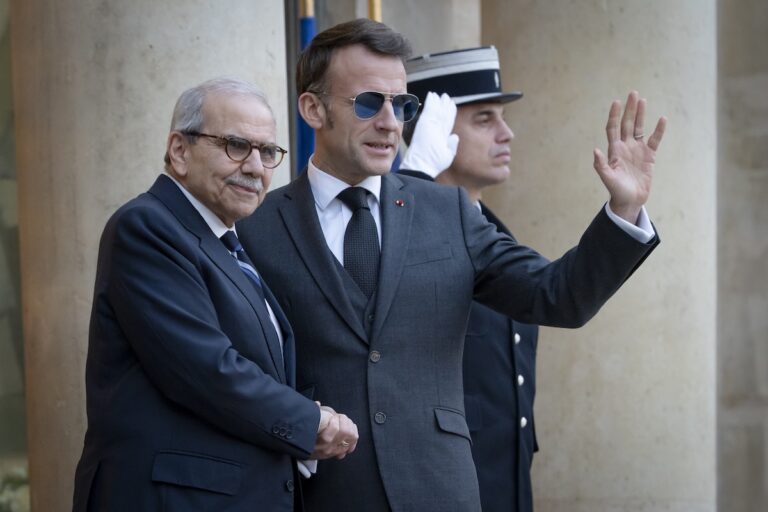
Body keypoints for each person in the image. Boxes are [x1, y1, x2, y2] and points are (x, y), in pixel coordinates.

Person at [237, 18, 666, 512]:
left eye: (402, 105)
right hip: (318, 495)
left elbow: (559, 295)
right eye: (368, 103)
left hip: (440, 490)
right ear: (313, 108)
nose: (390, 123)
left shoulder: (449, 212)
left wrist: (624, 210)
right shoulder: (255, 227)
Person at [71, 77, 358, 512]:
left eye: (268, 152)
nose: (256, 167)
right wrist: (310, 421)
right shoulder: (147, 227)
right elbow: (206, 370)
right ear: (179, 150)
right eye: (236, 146)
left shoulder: (226, 243)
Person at [398, 46, 539, 512]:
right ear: (433, 128)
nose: (506, 133)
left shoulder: (495, 233)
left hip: (506, 485)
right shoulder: (394, 236)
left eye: (502, 117)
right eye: (484, 119)